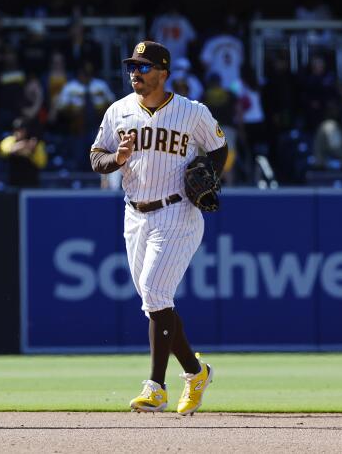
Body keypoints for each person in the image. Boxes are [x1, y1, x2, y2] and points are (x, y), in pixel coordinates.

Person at [89, 40, 227, 416]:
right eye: (133, 67)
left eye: (145, 67)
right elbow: (95, 156)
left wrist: (209, 176)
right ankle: (196, 374)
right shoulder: (117, 111)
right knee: (155, 304)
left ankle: (155, 388)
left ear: (164, 72)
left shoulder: (191, 112)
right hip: (134, 214)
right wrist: (115, 158)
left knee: (153, 291)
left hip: (177, 211)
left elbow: (217, 148)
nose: (136, 73)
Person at [0, 117, 47, 188]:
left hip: (31, 184)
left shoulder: (36, 143)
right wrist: (21, 146)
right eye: (15, 130)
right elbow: (3, 152)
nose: (17, 133)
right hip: (13, 183)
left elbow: (42, 163)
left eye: (20, 130)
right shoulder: (9, 140)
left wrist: (33, 151)